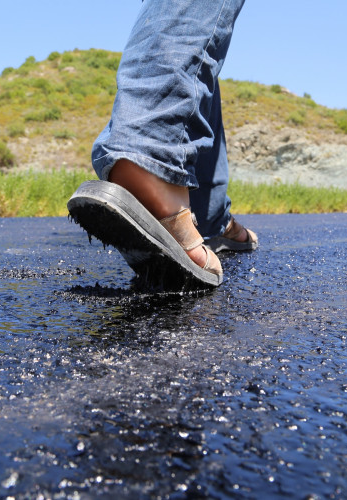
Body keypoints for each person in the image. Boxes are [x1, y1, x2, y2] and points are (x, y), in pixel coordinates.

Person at [68, 0, 256, 290]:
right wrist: (157, 148)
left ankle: (209, 214)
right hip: (155, 149)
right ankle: (152, 155)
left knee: (203, 60)